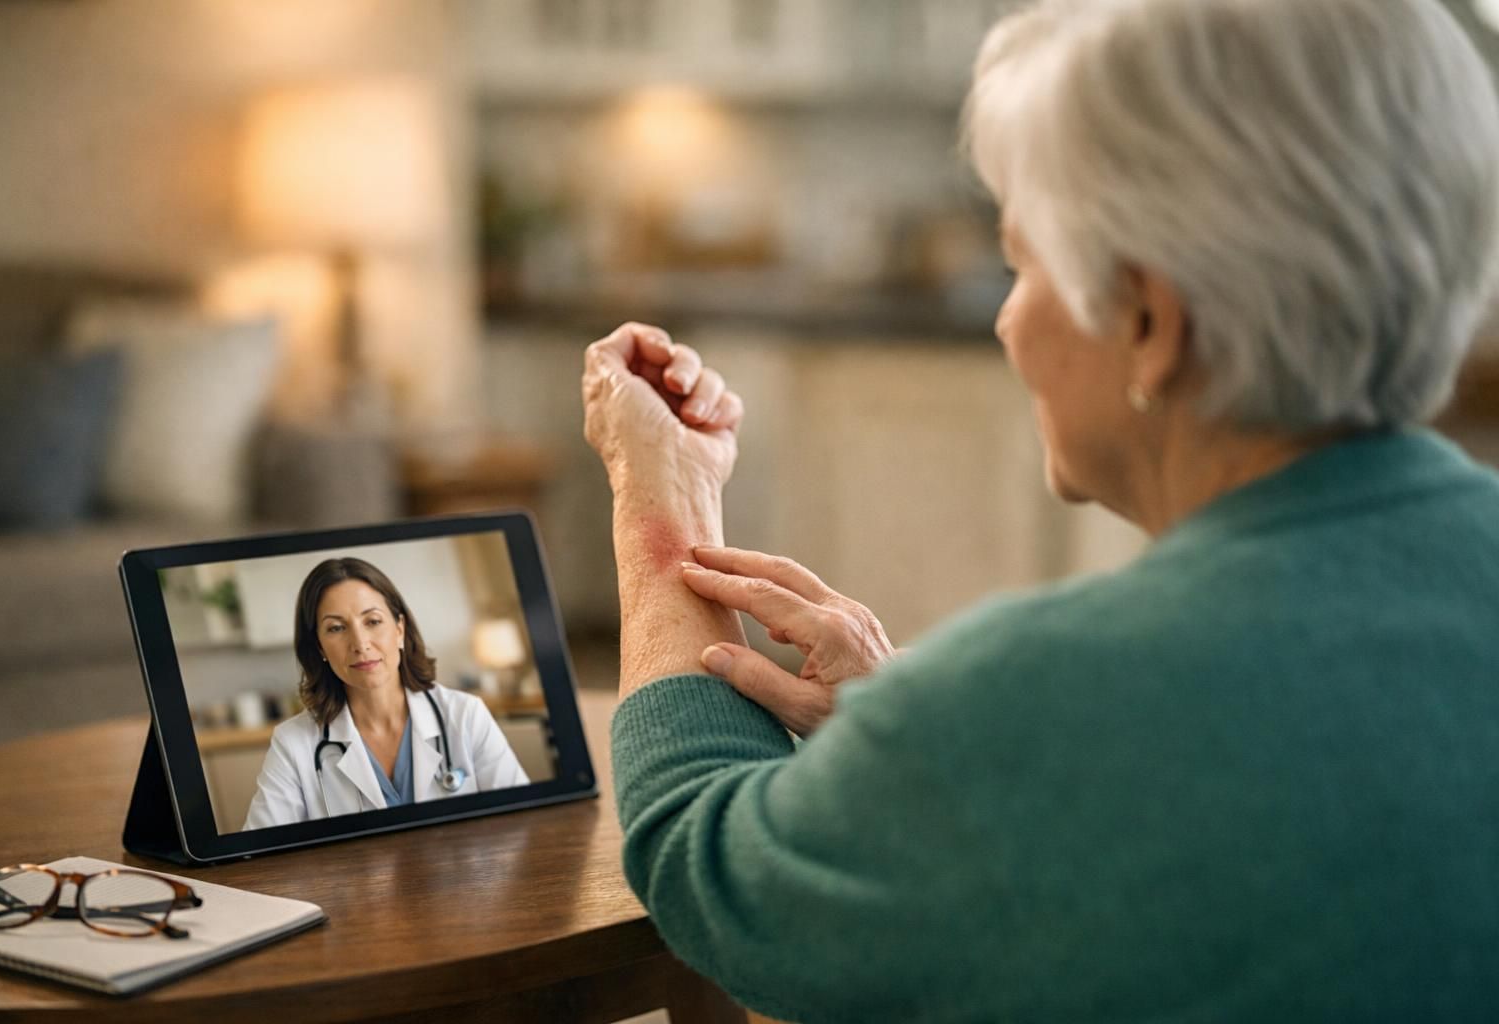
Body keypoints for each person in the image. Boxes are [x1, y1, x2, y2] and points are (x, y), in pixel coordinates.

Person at [579, 0, 1499, 1019]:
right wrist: (922, 757)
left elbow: (708, 869)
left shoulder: (1051, 708)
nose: (1010, 324)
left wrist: (663, 487)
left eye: (1022, 265)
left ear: (1149, 322)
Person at [243, 557, 528, 830]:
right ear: (320, 649)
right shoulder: (294, 744)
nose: (360, 643)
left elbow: (524, 823)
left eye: (373, 621)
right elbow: (257, 858)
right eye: (337, 628)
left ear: (400, 630)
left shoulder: (465, 715)